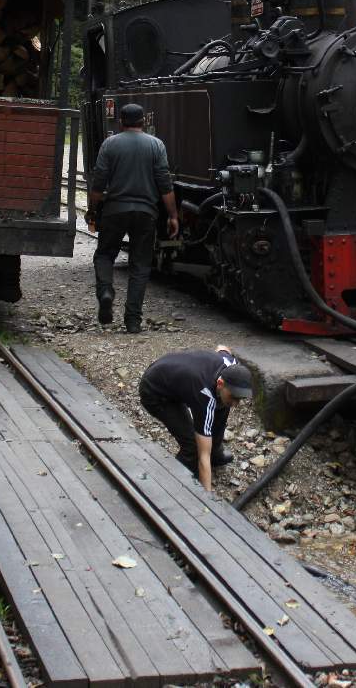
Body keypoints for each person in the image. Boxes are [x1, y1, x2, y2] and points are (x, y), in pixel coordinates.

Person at [87, 102, 178, 333]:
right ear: (144, 122)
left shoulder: (110, 144)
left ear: (121, 122)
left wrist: (92, 209)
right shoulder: (156, 145)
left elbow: (98, 184)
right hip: (146, 213)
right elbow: (165, 185)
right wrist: (173, 215)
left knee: (105, 255)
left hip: (115, 210)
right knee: (140, 266)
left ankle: (106, 291)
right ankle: (133, 320)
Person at [139, 346, 254, 492]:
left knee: (224, 404)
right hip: (155, 392)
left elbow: (222, 348)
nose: (237, 404)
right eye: (234, 397)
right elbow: (203, 455)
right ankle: (172, 484)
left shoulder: (231, 364)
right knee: (193, 446)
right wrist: (208, 498)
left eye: (240, 398)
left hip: (174, 375)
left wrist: (230, 398)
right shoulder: (205, 396)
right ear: (220, 383)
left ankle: (216, 453)